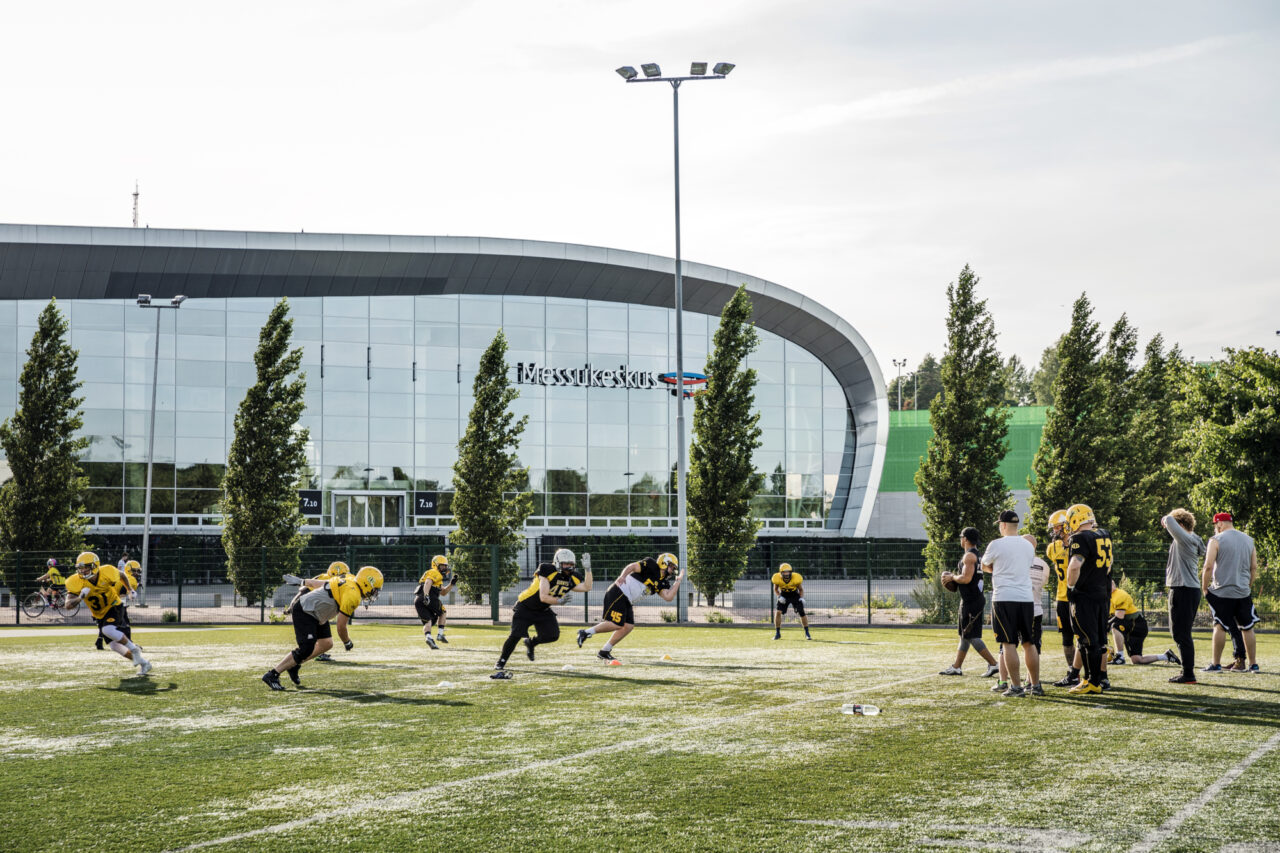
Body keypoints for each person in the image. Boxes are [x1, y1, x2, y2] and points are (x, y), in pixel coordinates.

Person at [263, 565, 383, 690]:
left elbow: (324, 584)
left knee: (326, 644)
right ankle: (272, 674)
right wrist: (347, 642)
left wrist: (303, 581)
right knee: (306, 649)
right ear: (366, 584)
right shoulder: (353, 595)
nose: (374, 593)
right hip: (306, 611)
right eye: (375, 590)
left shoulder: (350, 579)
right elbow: (341, 626)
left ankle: (294, 665)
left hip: (317, 613)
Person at [492, 549, 591, 678]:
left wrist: (588, 570)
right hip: (526, 607)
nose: (568, 567)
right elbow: (543, 597)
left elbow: (587, 587)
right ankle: (501, 661)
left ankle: (531, 643)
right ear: (557, 563)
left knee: (552, 635)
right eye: (565, 564)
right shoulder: (547, 570)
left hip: (543, 610)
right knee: (516, 635)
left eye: (571, 564)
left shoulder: (573, 577)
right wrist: (559, 601)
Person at [980, 510, 1041, 697]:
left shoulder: (996, 544)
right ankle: (1035, 685)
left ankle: (1015, 686)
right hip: (1026, 599)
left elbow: (984, 565)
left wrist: (997, 568)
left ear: (1003, 525)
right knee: (1029, 643)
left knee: (1008, 643)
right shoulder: (1028, 546)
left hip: (1004, 598)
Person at [577, 554, 683, 660]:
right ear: (664, 562)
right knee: (616, 624)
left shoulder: (663, 581)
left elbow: (668, 597)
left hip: (627, 600)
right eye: (672, 566)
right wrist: (622, 576)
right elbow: (632, 566)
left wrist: (678, 581)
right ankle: (586, 632)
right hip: (620, 592)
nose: (672, 570)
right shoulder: (651, 565)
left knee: (628, 626)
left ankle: (605, 651)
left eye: (674, 568)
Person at [64, 552, 151, 675]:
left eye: (85, 567)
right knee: (114, 646)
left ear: (94, 566)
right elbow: (67, 605)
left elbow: (122, 575)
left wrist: (130, 590)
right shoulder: (75, 581)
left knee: (107, 630)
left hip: (114, 605)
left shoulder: (107, 571)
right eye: (80, 568)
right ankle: (144, 663)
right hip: (99, 614)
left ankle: (134, 649)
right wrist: (80, 597)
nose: (82, 571)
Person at [1201, 512, 1261, 673]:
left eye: (1215, 525)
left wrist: (1205, 587)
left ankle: (1215, 664)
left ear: (1219, 523)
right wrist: (1247, 585)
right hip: (1243, 591)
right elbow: (1253, 567)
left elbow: (1208, 566)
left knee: (1219, 625)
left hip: (1222, 591)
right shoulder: (1249, 540)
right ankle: (1253, 664)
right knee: (1247, 627)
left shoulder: (1216, 540)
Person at [1064, 503, 1113, 695]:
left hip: (1085, 595)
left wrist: (1070, 587)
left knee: (1086, 640)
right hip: (1102, 593)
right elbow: (1109, 565)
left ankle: (1091, 681)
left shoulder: (1080, 537)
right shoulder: (1104, 534)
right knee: (1099, 640)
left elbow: (1075, 565)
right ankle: (1098, 679)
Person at [939, 528, 1000, 678]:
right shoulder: (977, 555)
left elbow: (966, 578)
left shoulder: (969, 556)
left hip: (972, 601)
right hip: (971, 599)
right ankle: (956, 667)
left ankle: (993, 664)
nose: (960, 540)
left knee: (972, 636)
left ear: (965, 539)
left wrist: (952, 577)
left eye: (961, 537)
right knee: (964, 635)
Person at [1161, 508, 1206, 684]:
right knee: (1180, 633)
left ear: (1180, 525)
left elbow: (1169, 521)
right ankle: (1187, 672)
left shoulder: (1185, 539)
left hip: (1183, 588)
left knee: (1181, 633)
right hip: (1188, 589)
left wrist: (1166, 518)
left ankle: (1188, 674)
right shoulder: (1193, 539)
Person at [1045, 509, 1081, 687]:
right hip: (1062, 597)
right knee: (1067, 637)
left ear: (1067, 526)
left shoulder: (1079, 544)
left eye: (1057, 527)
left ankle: (1089, 671)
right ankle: (1071, 671)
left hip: (1080, 595)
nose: (1054, 531)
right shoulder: (1052, 548)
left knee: (1084, 636)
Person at [1109, 579, 1178, 666]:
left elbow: (1119, 617)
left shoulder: (1119, 594)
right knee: (1137, 660)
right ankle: (1166, 656)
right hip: (1129, 625)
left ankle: (1120, 657)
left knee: (1115, 625)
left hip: (1137, 625)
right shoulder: (1105, 597)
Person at [310, 562, 353, 662]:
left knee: (324, 636)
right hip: (311, 608)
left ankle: (319, 653)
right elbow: (304, 589)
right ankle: (306, 657)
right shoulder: (324, 580)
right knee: (316, 634)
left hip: (317, 609)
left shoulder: (330, 580)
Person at [415, 555, 456, 649]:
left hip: (418, 600)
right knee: (443, 612)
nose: (445, 568)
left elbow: (444, 592)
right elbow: (428, 582)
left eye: (445, 566)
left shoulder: (435, 576)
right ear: (435, 565)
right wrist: (426, 595)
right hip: (429, 596)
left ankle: (428, 637)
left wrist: (451, 584)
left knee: (428, 621)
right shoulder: (434, 572)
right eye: (442, 566)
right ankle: (440, 634)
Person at [770, 563, 812, 640]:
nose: (787, 574)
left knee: (801, 612)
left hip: (794, 594)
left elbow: (801, 589)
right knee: (778, 612)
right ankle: (777, 633)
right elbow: (775, 589)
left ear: (791, 572)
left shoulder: (796, 578)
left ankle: (807, 633)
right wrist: (779, 596)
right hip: (783, 594)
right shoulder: (777, 578)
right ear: (781, 573)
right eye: (785, 572)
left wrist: (801, 597)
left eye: (788, 572)